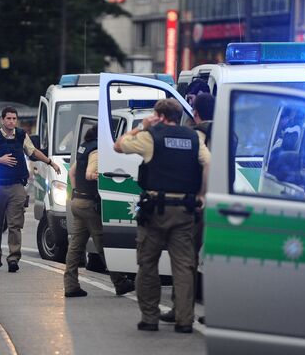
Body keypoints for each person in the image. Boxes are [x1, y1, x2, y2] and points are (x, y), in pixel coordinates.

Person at [114, 98, 209, 333]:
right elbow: (208, 163)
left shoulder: (150, 136)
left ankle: (150, 317)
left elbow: (119, 145)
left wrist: (142, 126)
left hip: (155, 209)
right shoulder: (194, 138)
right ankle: (185, 320)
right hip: (185, 209)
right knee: (184, 266)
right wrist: (201, 195)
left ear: (160, 116)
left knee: (147, 263)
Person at [0, 107, 61, 272]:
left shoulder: (22, 135)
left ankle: (13, 259)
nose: (11, 121)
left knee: (15, 225)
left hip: (16, 186)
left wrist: (50, 162)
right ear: (2, 120)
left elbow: (33, 152)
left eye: (14, 118)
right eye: (8, 118)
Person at [159, 92, 215, 324]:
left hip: (199, 204)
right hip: (224, 202)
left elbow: (201, 164)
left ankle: (181, 309)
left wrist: (200, 194)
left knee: (185, 259)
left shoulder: (197, 134)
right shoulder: (227, 132)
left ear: (196, 112)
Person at [64, 124, 135, 297]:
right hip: (89, 204)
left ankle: (71, 285)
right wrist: (102, 176)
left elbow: (72, 173)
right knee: (103, 242)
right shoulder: (96, 150)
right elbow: (89, 174)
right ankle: (120, 282)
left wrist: (76, 192)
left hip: (78, 201)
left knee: (75, 246)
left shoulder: (84, 147)